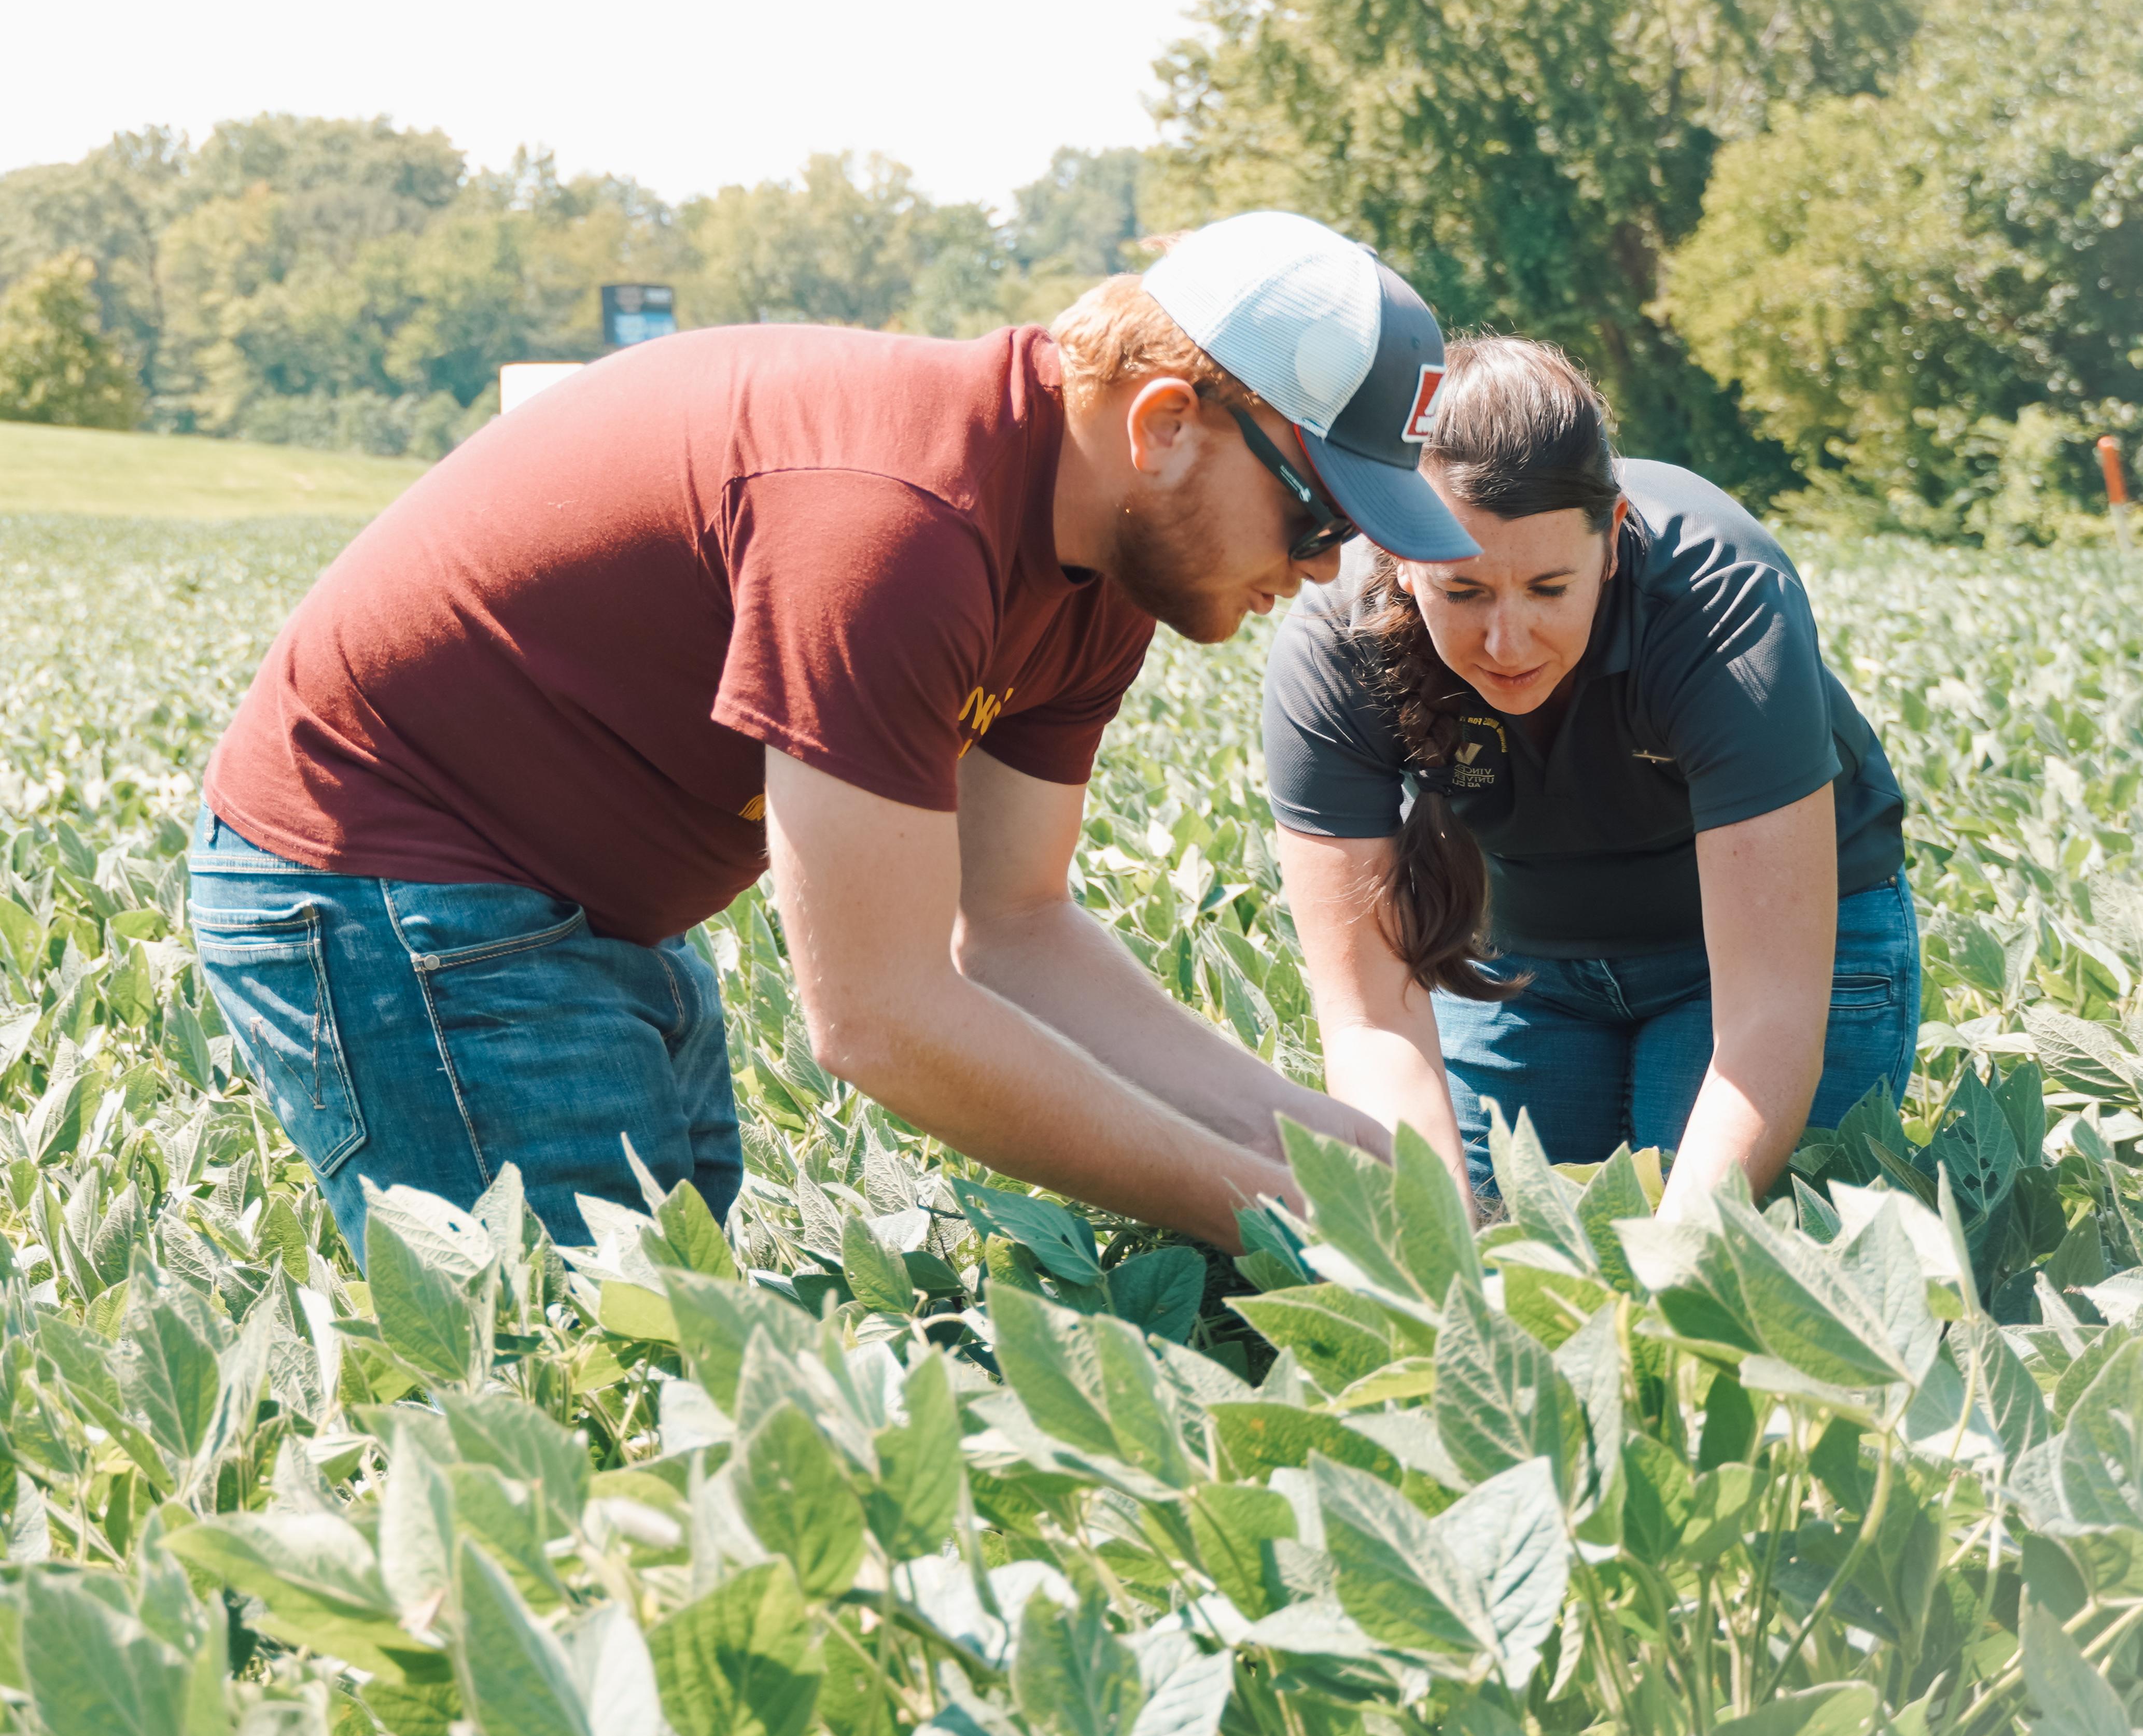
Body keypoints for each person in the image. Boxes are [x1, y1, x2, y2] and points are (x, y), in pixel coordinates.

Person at [189, 210, 1480, 1261]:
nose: (1324, 570)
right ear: (1162, 427)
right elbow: (879, 1015)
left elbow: (1014, 927)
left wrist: (1329, 1148)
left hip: (581, 907)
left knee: (668, 1343)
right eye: (1315, 514)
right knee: (579, 1382)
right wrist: (1270, 1213)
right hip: (389, 887)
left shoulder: (1109, 571)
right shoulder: (900, 530)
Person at [1262, 336, 1914, 1220]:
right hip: (1526, 964)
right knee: (1493, 1230)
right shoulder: (1333, 642)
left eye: (1546, 586)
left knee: (1720, 1251)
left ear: (1611, 540)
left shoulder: (1717, 597)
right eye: (1462, 593)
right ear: (1397, 549)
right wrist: (1440, 1253)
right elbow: (1372, 1021)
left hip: (1764, 963)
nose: (1507, 640)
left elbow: (1766, 1023)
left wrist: (1674, 1265)